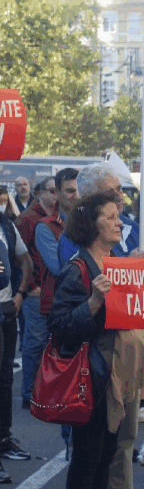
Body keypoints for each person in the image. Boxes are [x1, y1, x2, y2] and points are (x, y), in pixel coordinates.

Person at [48, 190, 144, 489]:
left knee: (107, 453)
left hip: (119, 375)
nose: (119, 222)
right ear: (91, 224)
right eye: (111, 216)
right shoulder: (78, 268)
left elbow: (134, 314)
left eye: (119, 216)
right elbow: (61, 326)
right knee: (86, 456)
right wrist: (93, 302)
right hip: (92, 375)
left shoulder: (117, 264)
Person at [15, 175, 57, 411]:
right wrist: (30, 287)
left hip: (56, 293)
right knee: (34, 344)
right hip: (36, 294)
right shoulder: (27, 219)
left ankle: (45, 392)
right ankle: (28, 394)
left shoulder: (60, 218)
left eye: (56, 191)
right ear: (40, 193)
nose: (54, 196)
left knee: (52, 344)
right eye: (50, 191)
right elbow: (20, 257)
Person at [0, 188, 33, 474]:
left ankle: (4, 438)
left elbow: (25, 260)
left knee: (5, 379)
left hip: (6, 310)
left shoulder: (6, 225)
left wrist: (20, 294)